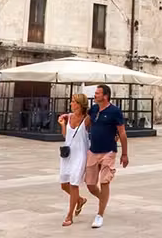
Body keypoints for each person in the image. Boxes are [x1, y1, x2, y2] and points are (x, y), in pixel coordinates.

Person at [85, 85, 128, 229]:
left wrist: (125, 154)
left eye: (97, 93)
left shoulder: (114, 111)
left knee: (104, 182)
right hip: (93, 151)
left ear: (105, 96)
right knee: (90, 185)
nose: (95, 95)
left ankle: (100, 214)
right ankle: (103, 199)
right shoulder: (94, 109)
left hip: (109, 151)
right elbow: (85, 122)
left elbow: (122, 133)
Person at [58, 93, 90, 226]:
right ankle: (80, 200)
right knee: (64, 185)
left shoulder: (87, 119)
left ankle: (69, 215)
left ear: (79, 104)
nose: (71, 104)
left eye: (73, 101)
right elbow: (66, 135)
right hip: (68, 154)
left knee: (74, 184)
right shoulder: (69, 117)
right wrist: (62, 125)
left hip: (80, 154)